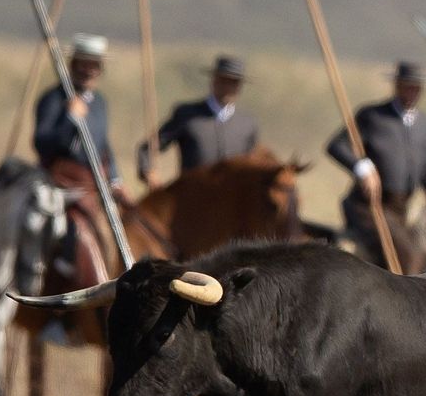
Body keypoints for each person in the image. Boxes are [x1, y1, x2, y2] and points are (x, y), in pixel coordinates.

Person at [326, 61, 426, 269]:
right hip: (369, 206)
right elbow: (336, 146)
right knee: (408, 254)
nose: (412, 92)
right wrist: (363, 167)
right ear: (397, 86)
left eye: (416, 87)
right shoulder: (372, 116)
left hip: (402, 210)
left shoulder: (424, 124)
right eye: (407, 86)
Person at [34, 34, 131, 283]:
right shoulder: (53, 99)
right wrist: (70, 119)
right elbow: (41, 143)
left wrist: (115, 179)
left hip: (92, 185)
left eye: (94, 65)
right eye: (84, 64)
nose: (89, 70)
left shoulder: (100, 103)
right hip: (60, 183)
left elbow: (103, 146)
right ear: (73, 64)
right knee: (69, 231)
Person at [137, 55, 258, 189]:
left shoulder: (246, 124)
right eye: (224, 80)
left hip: (232, 199)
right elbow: (148, 148)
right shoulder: (188, 115)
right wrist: (149, 174)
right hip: (191, 197)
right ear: (214, 81)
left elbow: (253, 165)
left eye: (233, 82)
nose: (228, 87)